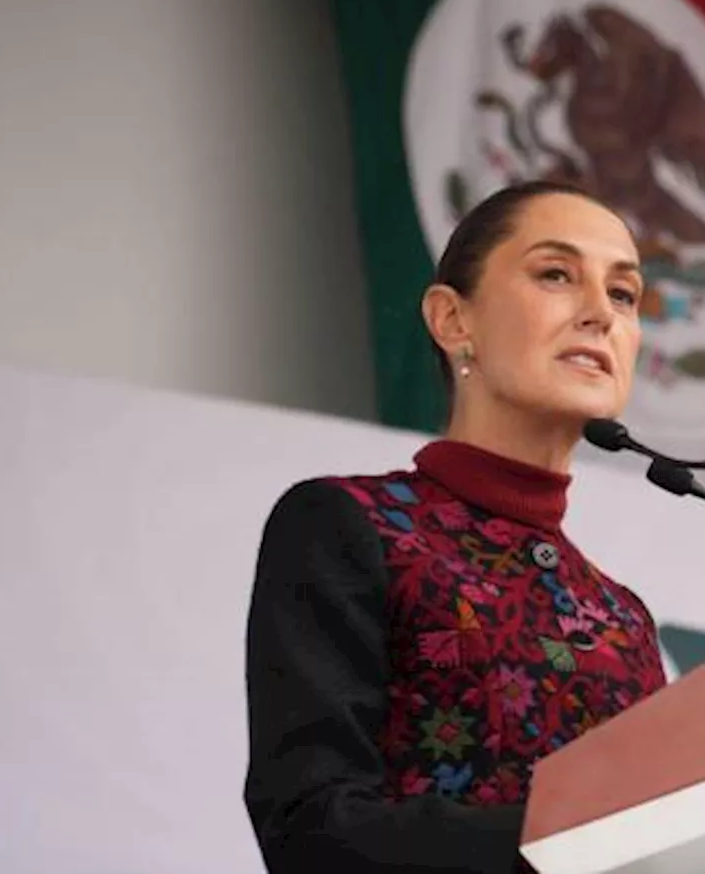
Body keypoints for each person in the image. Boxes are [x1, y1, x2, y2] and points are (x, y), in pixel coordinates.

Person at [242, 181, 668, 873]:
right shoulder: (350, 526)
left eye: (623, 294)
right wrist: (568, 842)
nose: (601, 314)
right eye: (556, 275)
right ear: (451, 320)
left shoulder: (623, 618)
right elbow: (311, 828)